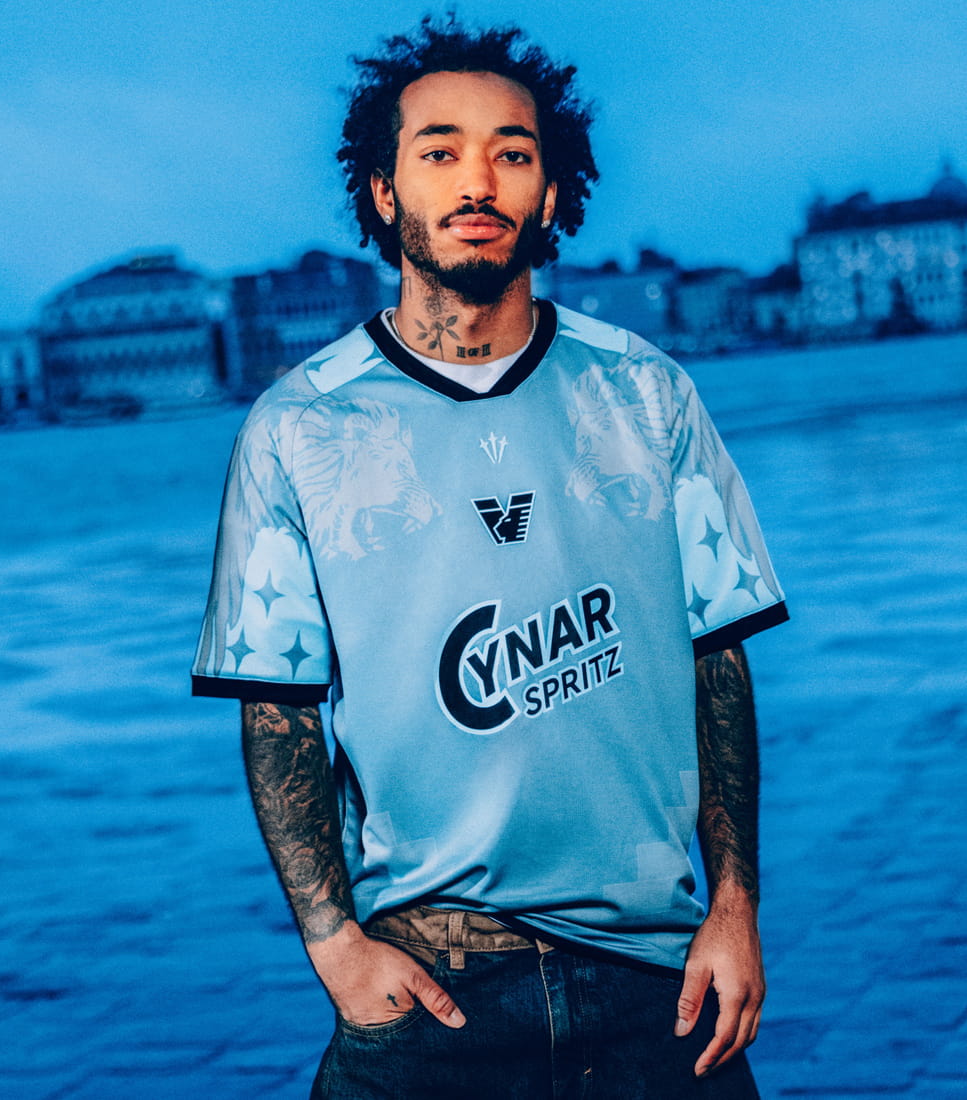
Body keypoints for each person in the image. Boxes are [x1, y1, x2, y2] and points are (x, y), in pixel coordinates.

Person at [192, 17, 787, 1098]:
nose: (480, 179)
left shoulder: (645, 392)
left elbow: (717, 661)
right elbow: (276, 707)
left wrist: (735, 910)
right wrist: (336, 949)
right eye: (440, 151)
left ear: (555, 193)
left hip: (658, 980)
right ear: (383, 192)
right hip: (429, 981)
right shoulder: (300, 427)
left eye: (514, 152)